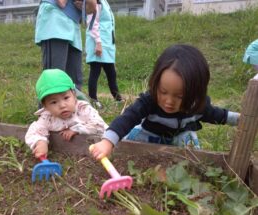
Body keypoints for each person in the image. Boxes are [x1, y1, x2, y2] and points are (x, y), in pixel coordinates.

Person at [90, 44, 240, 160]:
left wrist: (241, 119)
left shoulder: (197, 106)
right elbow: (127, 118)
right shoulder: (149, 101)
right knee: (128, 149)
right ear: (156, 83)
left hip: (181, 137)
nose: (169, 101)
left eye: (179, 96)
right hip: (149, 134)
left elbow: (218, 115)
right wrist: (107, 142)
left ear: (195, 93)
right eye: (163, 92)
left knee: (193, 158)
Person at [25, 69, 108, 158]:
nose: (62, 105)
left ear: (74, 95)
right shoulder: (48, 116)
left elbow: (99, 125)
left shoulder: (83, 109)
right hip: (75, 152)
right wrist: (40, 142)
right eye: (54, 102)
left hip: (104, 146)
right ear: (45, 106)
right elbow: (35, 130)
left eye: (66, 98)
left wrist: (76, 129)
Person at [35, 0, 97, 91]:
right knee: (54, 77)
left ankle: (75, 104)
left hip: (72, 22)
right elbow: (61, 2)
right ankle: (49, 104)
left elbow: (91, 7)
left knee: (74, 80)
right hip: (56, 18)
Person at [85, 0, 123, 109]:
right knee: (95, 71)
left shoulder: (104, 2)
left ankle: (118, 99)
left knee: (111, 73)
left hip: (107, 44)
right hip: (98, 42)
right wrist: (98, 42)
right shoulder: (96, 1)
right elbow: (92, 22)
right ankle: (93, 100)